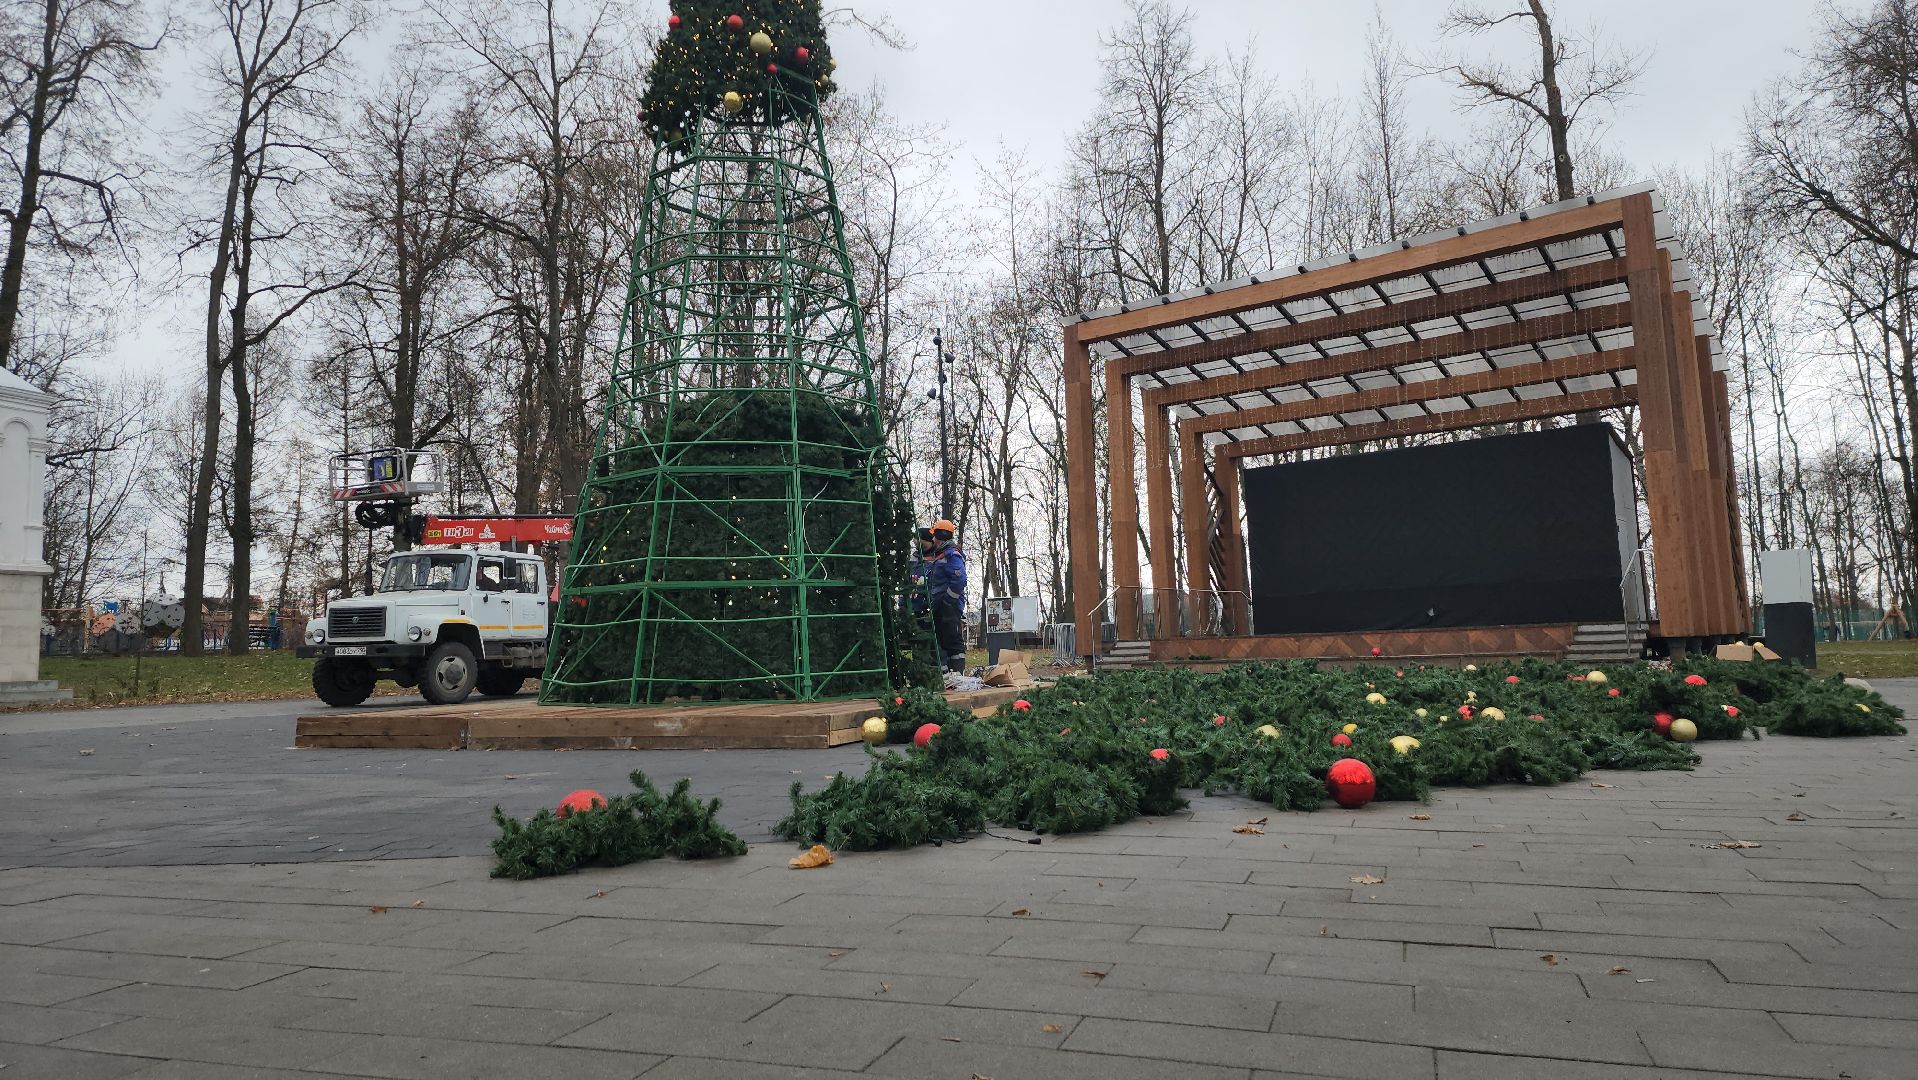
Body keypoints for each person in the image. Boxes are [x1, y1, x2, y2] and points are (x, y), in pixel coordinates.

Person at [925, 519, 967, 673]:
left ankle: (957, 674)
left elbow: (960, 579)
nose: (933, 539)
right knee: (942, 639)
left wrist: (948, 601)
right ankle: (947, 676)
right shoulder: (941, 554)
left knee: (952, 639)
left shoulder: (952, 555)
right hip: (941, 605)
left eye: (934, 535)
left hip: (949, 606)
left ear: (939, 535)